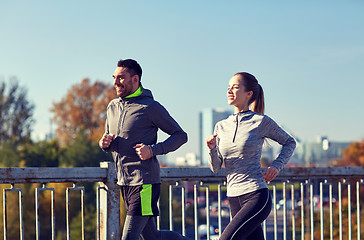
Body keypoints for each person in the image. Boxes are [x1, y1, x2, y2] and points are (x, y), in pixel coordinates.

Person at [99, 59, 189, 240]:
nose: (116, 82)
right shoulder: (112, 107)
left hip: (145, 183)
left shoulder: (150, 107)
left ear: (135, 79)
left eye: (121, 78)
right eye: (114, 77)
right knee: (152, 237)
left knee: (129, 237)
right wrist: (104, 144)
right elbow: (112, 142)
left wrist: (153, 150)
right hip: (124, 183)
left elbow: (180, 135)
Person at [206, 72, 296, 240]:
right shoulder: (221, 126)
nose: (229, 91)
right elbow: (216, 167)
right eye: (228, 87)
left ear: (249, 93)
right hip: (233, 197)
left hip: (255, 194)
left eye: (235, 87)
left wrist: (276, 165)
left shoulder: (260, 122)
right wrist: (212, 149)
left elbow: (290, 142)